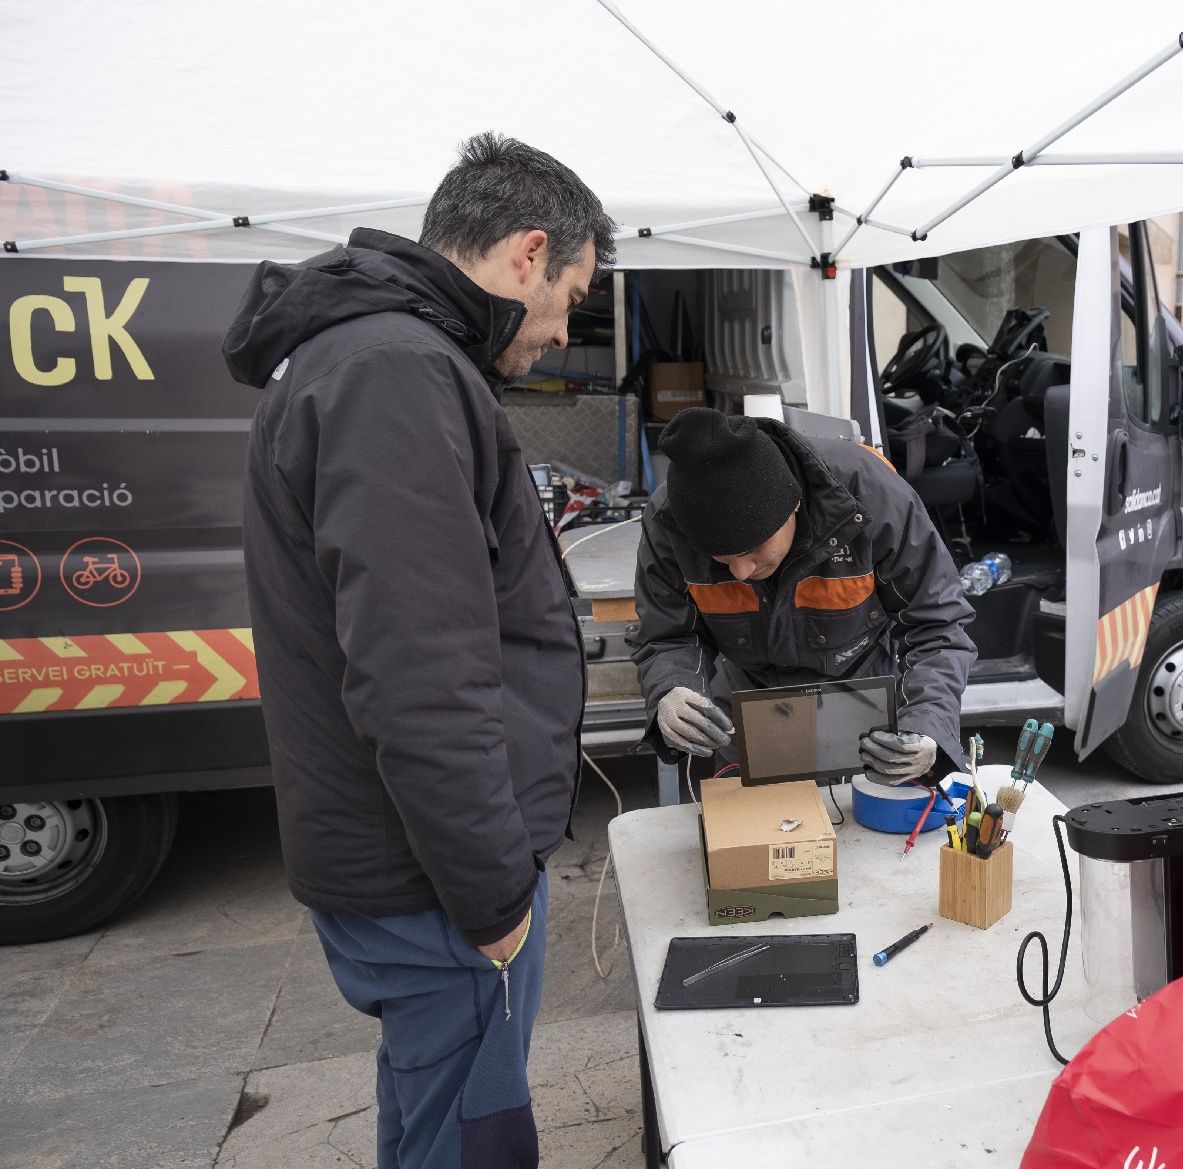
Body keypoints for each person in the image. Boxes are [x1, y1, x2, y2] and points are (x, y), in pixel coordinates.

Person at [224, 132, 615, 1168]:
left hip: (414, 859)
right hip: (434, 876)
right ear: (527, 253)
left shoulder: (381, 355)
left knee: (434, 1103)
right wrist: (491, 892)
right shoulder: (396, 371)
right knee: (469, 1135)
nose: (564, 329)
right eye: (572, 294)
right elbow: (419, 672)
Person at [631, 407, 976, 784]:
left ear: (793, 503)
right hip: (745, 702)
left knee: (865, 834)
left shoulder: (872, 496)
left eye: (753, 551)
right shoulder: (670, 519)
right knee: (760, 832)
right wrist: (671, 689)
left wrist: (926, 724)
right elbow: (668, 633)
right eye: (722, 559)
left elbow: (938, 624)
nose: (741, 572)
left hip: (862, 694)